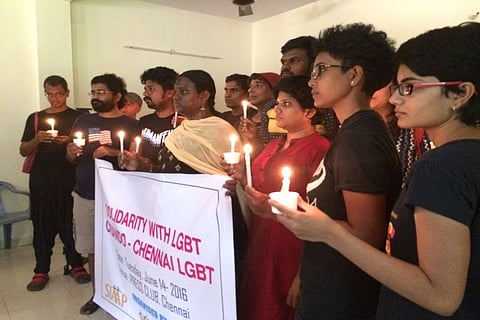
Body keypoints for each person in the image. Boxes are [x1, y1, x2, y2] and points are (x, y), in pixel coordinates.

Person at [278, 22, 480, 319]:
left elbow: (441, 295)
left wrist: (330, 232)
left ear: (460, 93)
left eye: (409, 87)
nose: (395, 98)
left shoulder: (442, 166)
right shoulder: (462, 158)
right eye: (397, 87)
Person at [258, 23, 402, 319]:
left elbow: (366, 236)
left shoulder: (360, 139)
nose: (311, 81)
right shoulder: (352, 131)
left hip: (343, 294)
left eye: (321, 69)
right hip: (329, 283)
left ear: (354, 75)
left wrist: (294, 216)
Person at [118, 69, 248, 309]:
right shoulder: (181, 130)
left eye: (184, 92)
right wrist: (142, 165)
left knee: (213, 289)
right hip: (181, 223)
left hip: (211, 224)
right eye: (176, 91)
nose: (176, 97)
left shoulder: (221, 130)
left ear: (204, 96)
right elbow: (170, 173)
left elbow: (236, 177)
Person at [227, 75, 330, 320]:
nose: (277, 110)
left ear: (310, 112)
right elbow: (260, 192)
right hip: (261, 243)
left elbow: (321, 214)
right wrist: (242, 176)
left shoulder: (320, 149)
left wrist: (303, 274)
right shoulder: (274, 145)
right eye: (277, 104)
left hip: (291, 250)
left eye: (287, 104)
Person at [66, 73, 138, 315]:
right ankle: (98, 295)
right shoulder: (82, 121)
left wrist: (112, 152)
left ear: (117, 95)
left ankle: (124, 293)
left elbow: (135, 159)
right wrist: (72, 152)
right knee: (93, 250)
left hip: (119, 198)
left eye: (101, 92)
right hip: (86, 193)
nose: (95, 96)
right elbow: (70, 156)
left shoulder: (130, 125)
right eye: (93, 92)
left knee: (121, 250)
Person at [19, 75, 90, 292]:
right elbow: (23, 150)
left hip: (70, 176)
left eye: (59, 94)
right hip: (41, 180)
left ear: (67, 93)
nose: (54, 99)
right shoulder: (35, 118)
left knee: (70, 222)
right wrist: (37, 140)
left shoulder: (79, 117)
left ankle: (75, 263)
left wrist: (69, 140)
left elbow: (87, 145)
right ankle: (41, 269)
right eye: (50, 94)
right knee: (42, 224)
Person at [371, 83, 431, 186]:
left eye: (379, 82)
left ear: (394, 87)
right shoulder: (356, 127)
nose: (370, 88)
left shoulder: (414, 128)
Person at [137, 66, 178, 163]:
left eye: (151, 89)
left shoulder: (183, 122)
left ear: (169, 93)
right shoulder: (144, 121)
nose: (145, 94)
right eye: (145, 89)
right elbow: (135, 151)